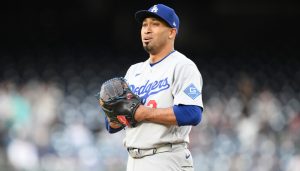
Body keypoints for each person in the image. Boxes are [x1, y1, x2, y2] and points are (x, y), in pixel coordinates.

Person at [104, 4, 203, 171]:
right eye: (144, 25)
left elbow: (192, 113)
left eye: (155, 24)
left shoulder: (183, 66)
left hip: (166, 158)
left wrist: (143, 113)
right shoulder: (134, 71)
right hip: (133, 160)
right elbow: (112, 126)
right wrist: (113, 118)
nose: (147, 30)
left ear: (172, 32)